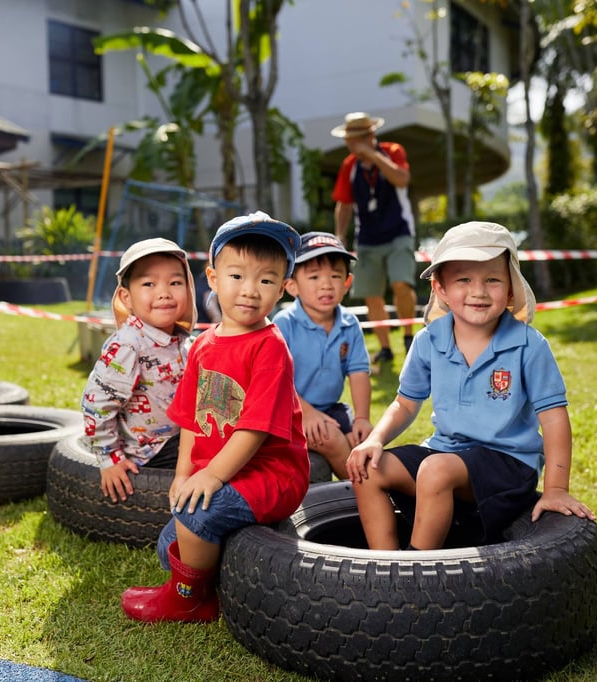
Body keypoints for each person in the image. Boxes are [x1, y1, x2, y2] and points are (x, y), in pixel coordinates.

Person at [346, 221, 596, 552]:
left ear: (510, 289)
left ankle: (413, 572)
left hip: (508, 464)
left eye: (492, 279)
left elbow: (553, 419)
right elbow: (405, 403)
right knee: (367, 469)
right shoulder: (428, 341)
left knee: (435, 470)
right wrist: (374, 440)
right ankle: (384, 566)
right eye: (464, 279)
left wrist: (556, 488)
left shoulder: (528, 345)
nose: (478, 291)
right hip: (446, 455)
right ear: (440, 287)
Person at [121, 211, 310, 623]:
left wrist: (212, 477)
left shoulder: (269, 347)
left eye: (266, 280)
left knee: (194, 518)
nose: (250, 290)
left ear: (282, 288)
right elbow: (190, 419)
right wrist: (184, 474)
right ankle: (214, 578)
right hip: (229, 473)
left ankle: (191, 602)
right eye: (237, 276)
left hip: (271, 473)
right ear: (211, 277)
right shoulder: (204, 344)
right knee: (168, 548)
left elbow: (255, 429)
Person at [81, 238, 197, 503]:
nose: (164, 292)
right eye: (149, 284)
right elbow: (96, 403)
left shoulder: (184, 340)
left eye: (175, 283)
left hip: (180, 435)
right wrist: (110, 459)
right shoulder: (129, 345)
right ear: (126, 297)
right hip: (151, 450)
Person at [273, 232, 372, 480]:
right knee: (333, 441)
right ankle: (359, 495)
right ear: (291, 286)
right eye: (314, 277)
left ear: (347, 283)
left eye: (335, 276)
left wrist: (362, 418)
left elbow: (359, 373)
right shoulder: (284, 324)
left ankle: (369, 500)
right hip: (290, 410)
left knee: (363, 441)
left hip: (331, 407)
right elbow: (276, 379)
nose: (326, 284)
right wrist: (305, 412)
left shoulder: (350, 323)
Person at [332, 111, 418, 366]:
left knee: (401, 283)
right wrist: (340, 235)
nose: (350, 145)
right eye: (348, 140)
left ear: (370, 137)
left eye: (354, 139)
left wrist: (375, 157)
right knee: (371, 294)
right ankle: (385, 348)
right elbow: (344, 204)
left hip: (399, 232)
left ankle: (408, 337)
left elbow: (402, 179)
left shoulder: (393, 151)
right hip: (367, 238)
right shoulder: (349, 165)